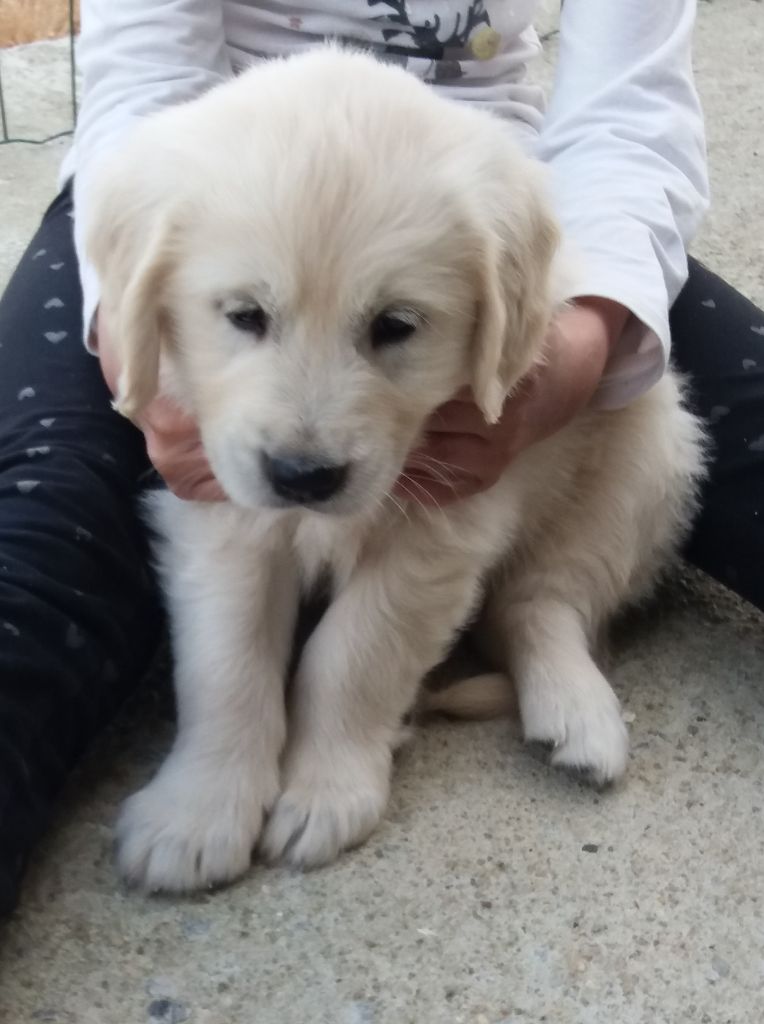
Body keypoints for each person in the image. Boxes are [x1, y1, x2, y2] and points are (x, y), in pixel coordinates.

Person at [0, 0, 761, 914]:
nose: (307, 442)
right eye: (247, 319)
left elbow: (629, 114)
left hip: (489, 193)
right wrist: (133, 341)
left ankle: (545, 617)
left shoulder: (491, 236)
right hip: (208, 174)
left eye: (393, 333)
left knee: (650, 409)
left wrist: (577, 348)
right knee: (38, 540)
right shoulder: (176, 189)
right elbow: (143, 77)